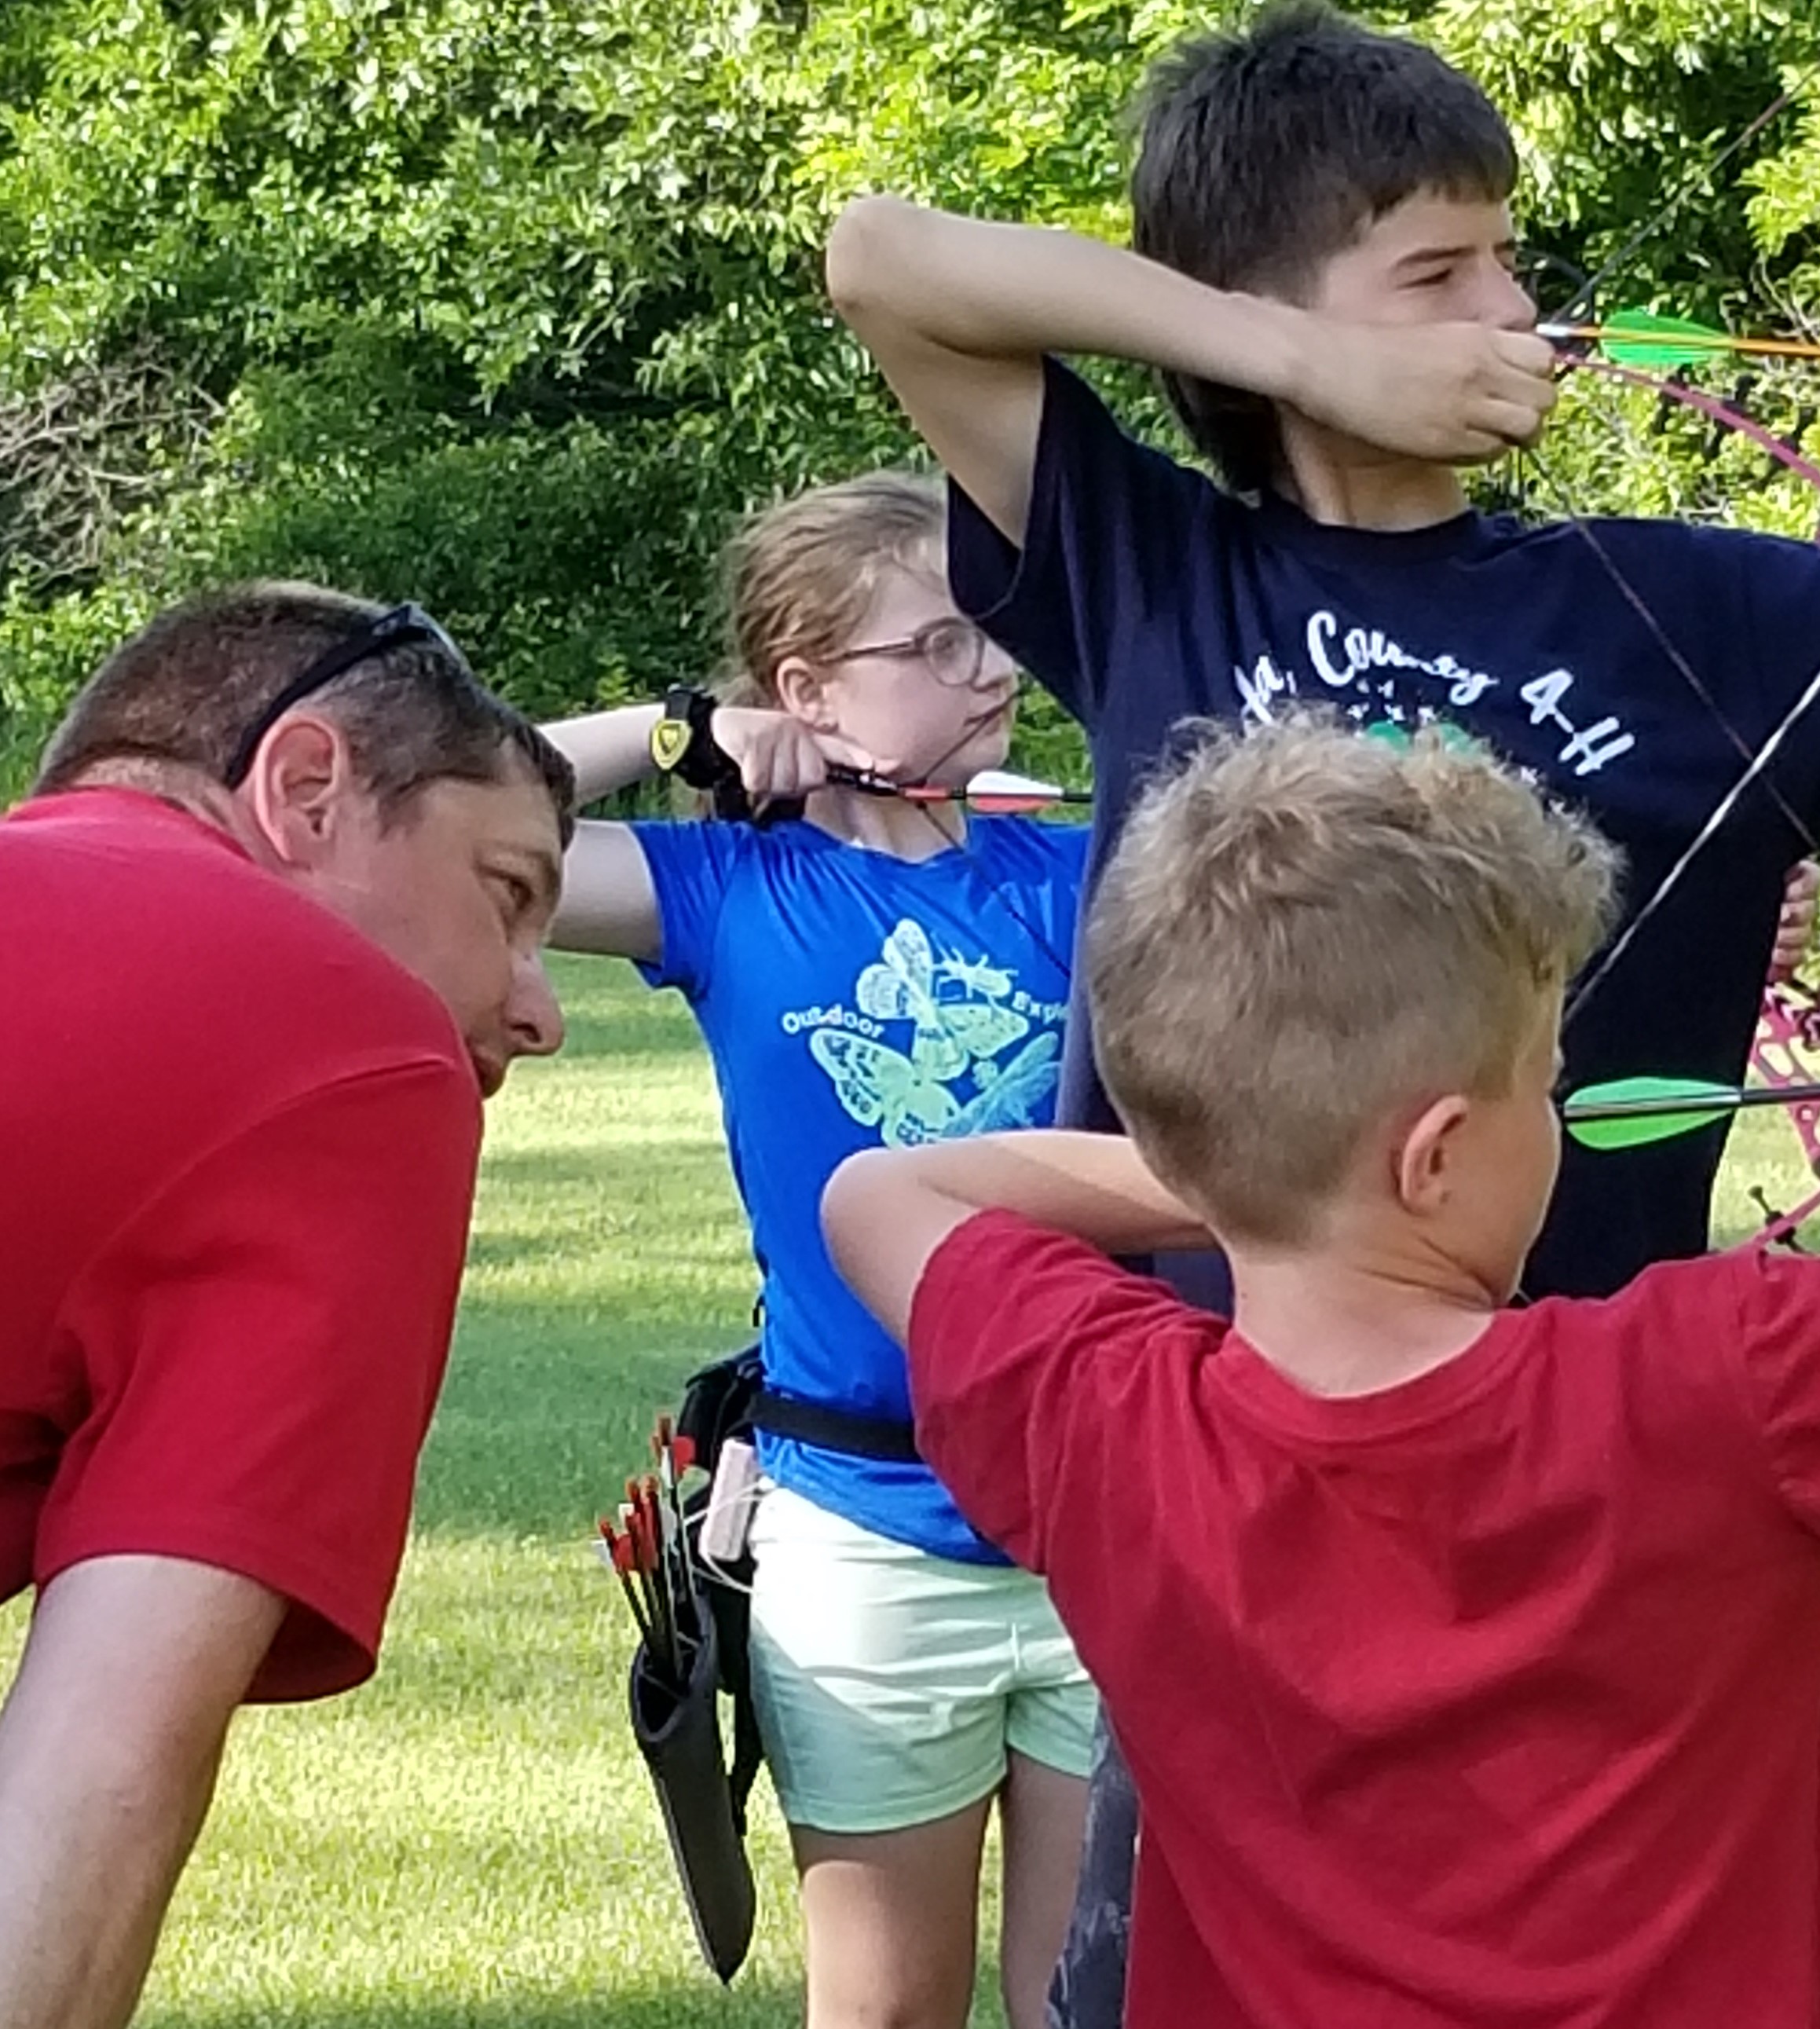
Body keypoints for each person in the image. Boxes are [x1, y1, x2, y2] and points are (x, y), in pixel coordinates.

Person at [822, 8, 1820, 2009]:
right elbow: (885, 259)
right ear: (1265, 322)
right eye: (1439, 273)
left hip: (1609, 1491)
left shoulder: (1690, 608)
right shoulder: (1160, 566)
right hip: (1252, 1503)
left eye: (1511, 260)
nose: (1514, 310)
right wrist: (1256, 1190)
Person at [818, 716, 1820, 2029]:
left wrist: (1239, 1173)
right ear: (1436, 1155)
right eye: (1543, 1082)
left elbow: (882, 1193)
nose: (1554, 1119)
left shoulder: (1106, 1413)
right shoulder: (1722, 1378)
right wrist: (1263, 1169)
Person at [539, 471, 1095, 2029]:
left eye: (994, 633)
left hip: (1104, 1508)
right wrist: (676, 735)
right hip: (865, 1534)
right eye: (936, 643)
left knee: (1095, 2002)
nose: (989, 669)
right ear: (803, 689)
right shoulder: (726, 886)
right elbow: (442, 817)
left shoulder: (1085, 865)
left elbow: (1389, 918)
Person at [0, 582, 572, 2029]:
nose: (539, 1007)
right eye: (507, 896)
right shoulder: (353, 1049)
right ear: (305, 787)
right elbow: (101, 1771)